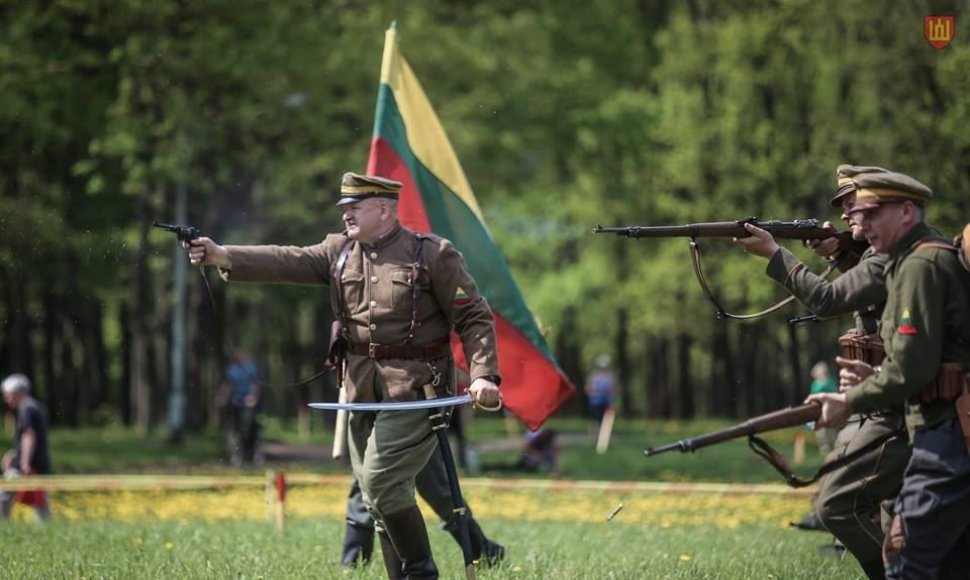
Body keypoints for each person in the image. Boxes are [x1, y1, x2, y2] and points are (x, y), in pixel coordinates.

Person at [186, 172, 501, 579]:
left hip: (416, 391)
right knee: (376, 495)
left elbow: (474, 315)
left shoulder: (432, 255)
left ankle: (422, 573)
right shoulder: (339, 252)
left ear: (384, 209)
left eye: (355, 207)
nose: (346, 214)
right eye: (344, 207)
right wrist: (221, 255)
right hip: (358, 392)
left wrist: (483, 375)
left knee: (380, 481)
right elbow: (288, 259)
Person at [734, 165, 911, 579]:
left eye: (856, 207)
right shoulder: (874, 254)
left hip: (897, 407)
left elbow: (831, 299)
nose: (850, 216)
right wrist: (840, 252)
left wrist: (776, 254)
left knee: (836, 504)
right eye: (847, 209)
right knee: (894, 520)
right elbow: (865, 287)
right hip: (884, 399)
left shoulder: (893, 256)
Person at [807, 169, 970, 579]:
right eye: (858, 213)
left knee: (907, 562)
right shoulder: (906, 263)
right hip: (938, 428)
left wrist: (850, 400)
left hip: (945, 434)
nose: (860, 223)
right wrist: (873, 375)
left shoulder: (919, 266)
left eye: (871, 214)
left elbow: (913, 366)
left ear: (906, 212)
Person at [340, 444, 506, 570]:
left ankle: (484, 551)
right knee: (366, 483)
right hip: (367, 406)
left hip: (411, 409)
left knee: (435, 485)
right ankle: (353, 562)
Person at [1, 374, 52, 522]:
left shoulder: (25, 408)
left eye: (7, 395)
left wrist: (24, 462)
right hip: (40, 462)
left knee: (3, 495)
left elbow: (28, 435)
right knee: (39, 501)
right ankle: (47, 529)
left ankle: (2, 527)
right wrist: (13, 453)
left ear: (17, 392)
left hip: (27, 464)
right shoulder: (35, 405)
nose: (6, 399)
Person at [214, 348, 262, 467]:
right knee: (234, 430)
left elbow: (255, 384)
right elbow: (228, 385)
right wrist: (222, 398)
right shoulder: (232, 369)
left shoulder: (251, 368)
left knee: (250, 429)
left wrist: (252, 397)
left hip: (249, 404)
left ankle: (252, 455)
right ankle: (236, 456)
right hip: (236, 403)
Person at [808, 361, 839, 454]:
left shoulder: (831, 381)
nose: (823, 372)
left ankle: (837, 444)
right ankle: (824, 447)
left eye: (824, 370)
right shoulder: (815, 384)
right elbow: (813, 397)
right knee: (821, 431)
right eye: (821, 370)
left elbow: (836, 392)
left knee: (833, 428)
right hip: (819, 410)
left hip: (832, 408)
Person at [585, 354, 615, 428]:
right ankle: (594, 431)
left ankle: (604, 433)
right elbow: (588, 388)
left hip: (606, 401)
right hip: (596, 401)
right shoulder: (594, 376)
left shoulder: (610, 377)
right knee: (595, 418)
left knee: (605, 418)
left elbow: (613, 389)